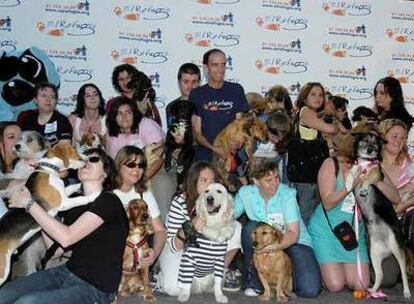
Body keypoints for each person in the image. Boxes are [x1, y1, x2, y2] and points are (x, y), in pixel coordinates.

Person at [0, 148, 128, 304]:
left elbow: (67, 237)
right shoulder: (72, 203)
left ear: (105, 173)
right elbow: (55, 250)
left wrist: (29, 204)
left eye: (93, 160)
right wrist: (43, 204)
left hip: (96, 288)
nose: (85, 162)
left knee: (27, 302)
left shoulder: (109, 201)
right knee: (5, 293)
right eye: (83, 159)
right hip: (66, 272)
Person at [235, 158, 321, 298]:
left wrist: (272, 247)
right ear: (256, 181)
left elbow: (293, 233)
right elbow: (229, 216)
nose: (274, 183)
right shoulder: (246, 193)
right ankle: (252, 280)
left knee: (309, 290)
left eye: (276, 178)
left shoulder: (287, 194)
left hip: (294, 241)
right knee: (250, 229)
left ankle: (287, 274)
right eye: (268, 180)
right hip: (264, 239)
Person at [156, 161, 242, 295]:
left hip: (205, 251)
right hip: (179, 248)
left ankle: (218, 272)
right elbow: (173, 245)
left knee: (236, 227)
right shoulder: (180, 202)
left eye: (212, 180)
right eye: (204, 180)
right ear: (194, 182)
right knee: (173, 288)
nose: (210, 185)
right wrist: (191, 227)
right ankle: (159, 275)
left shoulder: (220, 200)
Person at [288, 82, 337, 225]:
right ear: (304, 97)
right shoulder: (305, 111)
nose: (318, 98)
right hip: (305, 175)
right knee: (307, 214)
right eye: (313, 94)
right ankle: (305, 245)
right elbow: (331, 129)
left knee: (313, 212)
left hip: (312, 172)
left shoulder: (313, 114)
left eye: (321, 95)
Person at [191, 48, 249, 162]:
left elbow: (240, 125)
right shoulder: (197, 94)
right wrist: (215, 149)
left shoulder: (236, 90)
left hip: (231, 158)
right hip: (205, 159)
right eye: (215, 65)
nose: (220, 70)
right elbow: (197, 133)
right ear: (206, 68)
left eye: (223, 65)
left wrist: (236, 144)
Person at [113, 145, 166, 268]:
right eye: (131, 165)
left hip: (138, 251)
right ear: (119, 165)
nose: (137, 170)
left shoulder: (144, 194)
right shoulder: (107, 193)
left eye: (141, 165)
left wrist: (154, 253)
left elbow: (159, 231)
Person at [379, 118, 414, 284]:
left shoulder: (411, 162)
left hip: (406, 223)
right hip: (380, 227)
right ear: (382, 136)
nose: (399, 141)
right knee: (387, 279)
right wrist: (404, 193)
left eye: (403, 137)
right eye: (394, 136)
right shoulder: (371, 164)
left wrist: (401, 206)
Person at [105, 97, 164, 179]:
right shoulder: (112, 135)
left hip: (157, 168)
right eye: (119, 113)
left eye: (128, 113)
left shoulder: (146, 124)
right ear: (114, 117)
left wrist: (141, 180)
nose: (124, 117)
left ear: (134, 114)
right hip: (128, 173)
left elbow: (160, 157)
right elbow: (115, 166)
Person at [254, 111, 292, 184]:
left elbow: (283, 168)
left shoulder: (283, 145)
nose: (277, 141)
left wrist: (284, 186)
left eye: (280, 138)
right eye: (273, 137)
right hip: (255, 180)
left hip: (273, 182)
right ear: (267, 129)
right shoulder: (255, 141)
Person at [68, 83, 107, 151]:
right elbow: (69, 147)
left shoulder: (107, 120)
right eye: (88, 96)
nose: (93, 98)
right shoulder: (72, 120)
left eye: (95, 94)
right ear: (82, 100)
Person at [166, 63, 200, 128]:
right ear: (179, 82)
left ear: (199, 83)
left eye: (194, 82)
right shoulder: (171, 107)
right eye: (186, 82)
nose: (190, 86)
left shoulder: (205, 106)